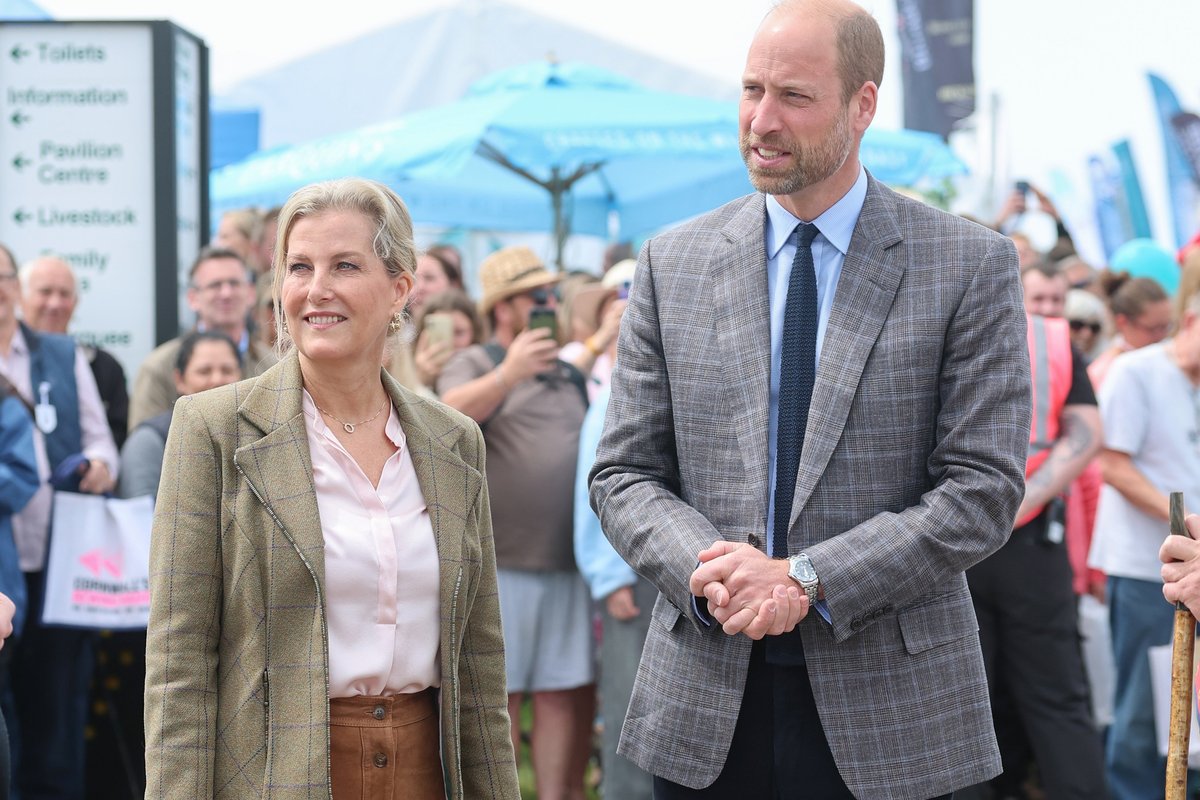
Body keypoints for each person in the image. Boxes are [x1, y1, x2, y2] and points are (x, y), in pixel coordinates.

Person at [588, 2, 1031, 798]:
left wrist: (807, 579)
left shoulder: (967, 264)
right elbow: (623, 474)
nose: (761, 120)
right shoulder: (671, 262)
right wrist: (713, 569)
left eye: (793, 95)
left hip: (895, 714)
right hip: (706, 701)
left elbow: (982, 491)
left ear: (863, 105)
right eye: (751, 90)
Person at [144, 178, 519, 799]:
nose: (316, 289)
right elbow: (178, 666)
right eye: (299, 267)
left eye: (344, 265)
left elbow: (478, 662)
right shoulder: (211, 430)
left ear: (400, 288)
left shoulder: (454, 442)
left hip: (428, 771)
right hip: (275, 775)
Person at [439, 246, 593, 800]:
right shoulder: (477, 361)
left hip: (564, 560)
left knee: (557, 691)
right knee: (498, 697)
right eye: (536, 296)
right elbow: (446, 416)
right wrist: (510, 373)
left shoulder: (565, 374)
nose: (550, 303)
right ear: (503, 307)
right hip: (500, 565)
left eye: (552, 294)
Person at [0, 241, 119, 800]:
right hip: (1, 566)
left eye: (3, 276)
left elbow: (102, 440)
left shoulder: (60, 353)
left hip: (59, 559)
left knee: (57, 708)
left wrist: (100, 465)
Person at [1088, 290, 1200, 800]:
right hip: (1143, 571)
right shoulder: (1137, 372)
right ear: (1191, 320)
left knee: (1191, 711)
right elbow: (1111, 465)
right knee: (1142, 709)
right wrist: (1183, 526)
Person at [127, 246, 277, 430]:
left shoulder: (274, 366)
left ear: (251, 294)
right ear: (192, 298)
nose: (226, 293)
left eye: (234, 283)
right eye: (215, 285)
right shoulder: (158, 368)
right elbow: (145, 442)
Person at [19, 256, 129, 447]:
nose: (55, 304)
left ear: (76, 302)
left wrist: (99, 463)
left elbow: (115, 438)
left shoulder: (105, 367)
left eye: (64, 294)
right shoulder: (7, 360)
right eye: (45, 292)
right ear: (21, 297)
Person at [1087, 272, 1172, 388]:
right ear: (1122, 322)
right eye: (1153, 329)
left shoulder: (1173, 358)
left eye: (1166, 326)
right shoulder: (1105, 373)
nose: (1162, 336)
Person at [409, 289, 485, 393]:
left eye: (459, 332)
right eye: (441, 333)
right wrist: (420, 381)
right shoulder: (403, 370)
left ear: (475, 333)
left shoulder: (487, 372)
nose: (451, 342)